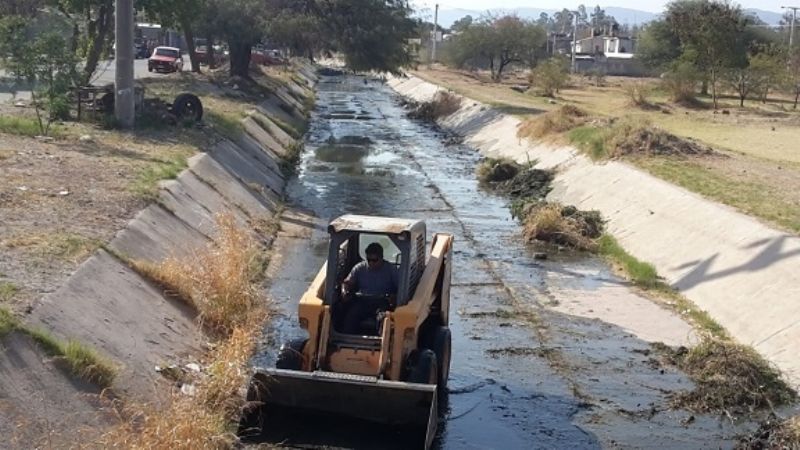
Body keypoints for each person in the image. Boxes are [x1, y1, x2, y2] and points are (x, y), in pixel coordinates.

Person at [340, 242, 399, 334]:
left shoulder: (391, 270)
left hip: (382, 302)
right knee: (351, 315)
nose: (371, 262)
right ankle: (346, 342)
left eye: (374, 260)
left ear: (381, 257)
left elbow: (399, 288)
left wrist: (394, 297)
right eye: (368, 259)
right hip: (363, 301)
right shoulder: (359, 268)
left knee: (383, 318)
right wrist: (344, 291)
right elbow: (347, 283)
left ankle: (381, 343)